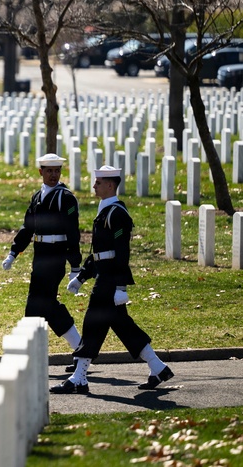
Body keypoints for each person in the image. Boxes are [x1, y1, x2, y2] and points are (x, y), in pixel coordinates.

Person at [51, 166, 174, 394]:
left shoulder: (117, 214)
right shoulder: (105, 210)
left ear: (110, 185)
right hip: (104, 276)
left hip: (109, 281)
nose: (94, 186)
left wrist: (120, 286)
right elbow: (99, 253)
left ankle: (79, 378)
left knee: (92, 325)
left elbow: (121, 253)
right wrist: (82, 276)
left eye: (98, 182)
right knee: (123, 326)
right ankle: (158, 368)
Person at [2, 153, 83, 351]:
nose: (53, 175)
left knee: (42, 302)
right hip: (40, 257)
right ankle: (79, 347)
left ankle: (33, 350)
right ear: (41, 172)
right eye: (49, 171)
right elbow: (27, 227)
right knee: (39, 303)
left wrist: (75, 265)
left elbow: (73, 232)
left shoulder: (66, 198)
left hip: (55, 256)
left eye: (57, 171)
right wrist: (14, 252)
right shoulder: (38, 196)